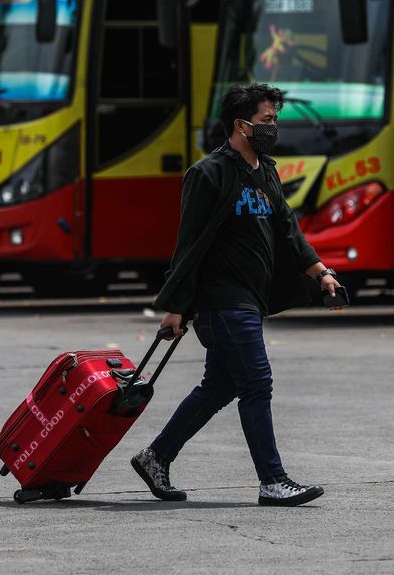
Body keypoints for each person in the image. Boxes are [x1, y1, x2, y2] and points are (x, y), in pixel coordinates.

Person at [131, 82, 343, 507]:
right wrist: (176, 308)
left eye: (274, 120)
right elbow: (189, 244)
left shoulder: (265, 169)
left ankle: (155, 456)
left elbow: (287, 227)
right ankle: (273, 480)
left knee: (218, 386)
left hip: (250, 296)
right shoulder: (209, 173)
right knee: (257, 382)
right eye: (266, 120)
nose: (273, 127)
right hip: (222, 299)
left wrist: (321, 271)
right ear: (240, 124)